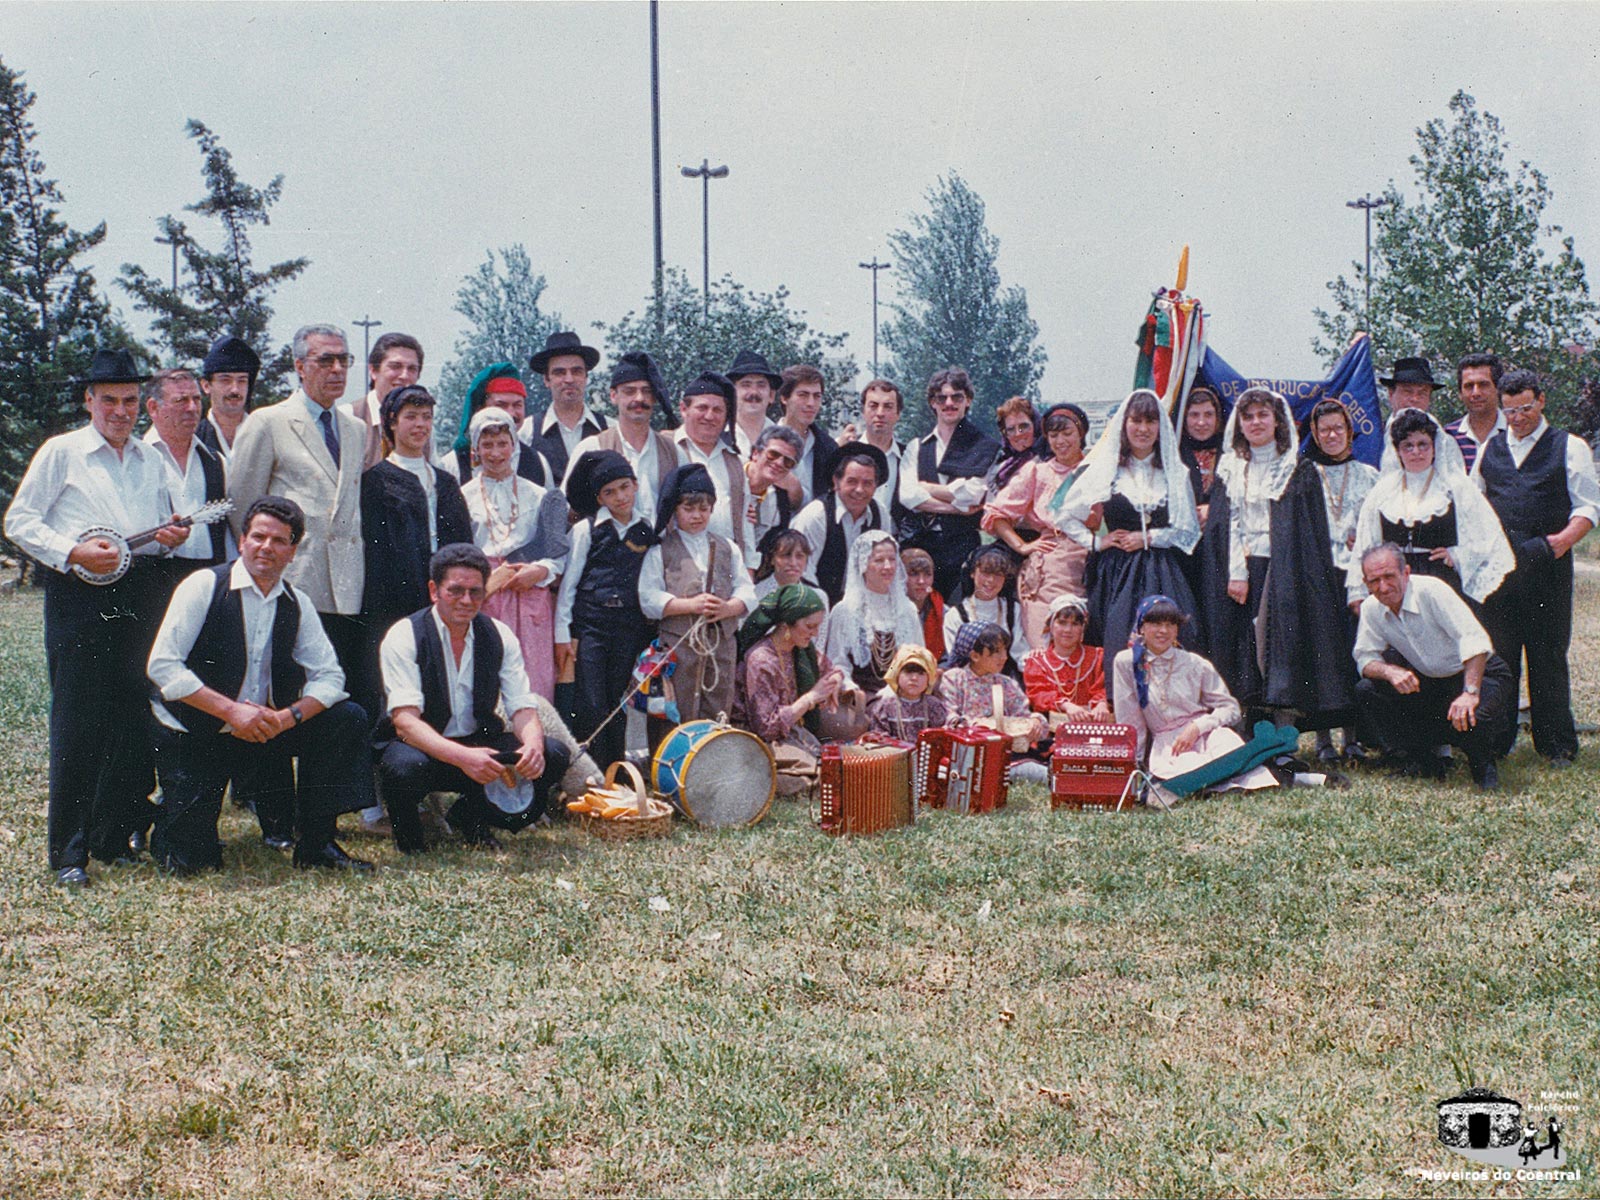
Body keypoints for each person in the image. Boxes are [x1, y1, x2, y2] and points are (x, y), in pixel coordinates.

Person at [5, 348, 187, 886]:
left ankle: (112, 836)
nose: (120, 411)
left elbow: (156, 531)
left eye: (130, 401)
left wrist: (169, 535)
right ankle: (69, 854)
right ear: (89, 400)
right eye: (109, 400)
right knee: (79, 724)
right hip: (79, 593)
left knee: (133, 720)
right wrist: (70, 551)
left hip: (139, 591)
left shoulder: (150, 458)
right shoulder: (62, 452)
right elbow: (19, 520)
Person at [145, 496, 375, 873]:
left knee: (346, 717)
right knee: (187, 863)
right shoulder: (204, 585)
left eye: (279, 541)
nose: (266, 547)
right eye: (258, 537)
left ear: (292, 552)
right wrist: (232, 712)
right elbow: (164, 666)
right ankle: (169, 819)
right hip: (198, 728)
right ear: (242, 541)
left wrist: (286, 718)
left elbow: (331, 677)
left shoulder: (297, 602)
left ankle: (317, 845)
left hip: (264, 731)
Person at [375, 543, 590, 852]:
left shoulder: (499, 635)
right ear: (434, 590)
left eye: (476, 592)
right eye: (456, 591)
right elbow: (405, 723)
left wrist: (531, 745)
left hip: (479, 746)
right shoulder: (404, 634)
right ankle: (410, 837)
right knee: (403, 767)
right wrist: (463, 758)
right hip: (424, 749)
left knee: (552, 754)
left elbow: (522, 706)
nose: (466, 600)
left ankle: (470, 816)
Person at [228, 324, 370, 701]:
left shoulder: (357, 429)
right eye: (326, 360)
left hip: (347, 587)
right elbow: (243, 504)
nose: (337, 369)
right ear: (300, 366)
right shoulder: (268, 422)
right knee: (288, 694)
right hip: (293, 581)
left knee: (335, 698)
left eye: (344, 360)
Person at [1206, 387, 1353, 729]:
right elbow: (1230, 524)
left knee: (1279, 643)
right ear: (1239, 424)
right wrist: (1237, 572)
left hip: (1285, 568)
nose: (1256, 422)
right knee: (1244, 644)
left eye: (1263, 415)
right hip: (1242, 567)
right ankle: (1246, 722)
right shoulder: (1230, 467)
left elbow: (1308, 530)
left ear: (1277, 421)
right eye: (1248, 416)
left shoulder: (1296, 468)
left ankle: (1283, 723)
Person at [1474, 368, 1599, 765]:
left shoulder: (1570, 446)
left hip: (1547, 568)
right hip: (1501, 573)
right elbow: (1474, 505)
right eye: (1509, 411)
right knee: (1502, 658)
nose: (1517, 418)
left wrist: (1561, 542)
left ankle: (1556, 744)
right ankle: (1497, 741)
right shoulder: (1489, 449)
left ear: (1541, 400)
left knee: (1547, 657)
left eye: (1525, 408)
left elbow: (1588, 508)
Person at [1046, 389, 1200, 662]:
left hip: (1163, 569)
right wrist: (1096, 542)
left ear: (1160, 427)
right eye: (1136, 421)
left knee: (1171, 635)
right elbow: (1063, 514)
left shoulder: (1175, 473)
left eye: (1150, 422)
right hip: (1117, 571)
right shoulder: (1106, 470)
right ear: (1124, 424)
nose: (1143, 429)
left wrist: (1148, 538)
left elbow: (1188, 530)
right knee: (1117, 635)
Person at [1351, 544, 1514, 789]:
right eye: (1374, 581)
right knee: (1368, 689)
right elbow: (1364, 657)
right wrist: (1390, 671)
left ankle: (1483, 766)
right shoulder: (1371, 608)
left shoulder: (1432, 591)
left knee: (1472, 714)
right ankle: (1422, 761)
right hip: (1431, 680)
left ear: (1405, 572)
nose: (1383, 587)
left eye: (1389, 577)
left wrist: (1470, 693)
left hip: (1478, 673)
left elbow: (1475, 642)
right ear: (1365, 582)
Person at [554, 451, 658, 773]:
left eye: (625, 487)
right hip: (591, 627)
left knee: (618, 701)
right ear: (599, 497)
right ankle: (591, 773)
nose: (620, 497)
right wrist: (565, 633)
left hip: (628, 627)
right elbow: (568, 585)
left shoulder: (646, 529)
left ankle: (618, 771)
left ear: (636, 485)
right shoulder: (587, 530)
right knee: (592, 701)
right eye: (610, 492)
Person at [639, 464, 758, 740]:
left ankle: (708, 772)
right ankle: (670, 773)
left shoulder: (728, 547)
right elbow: (648, 598)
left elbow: (747, 590)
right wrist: (689, 606)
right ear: (675, 510)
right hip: (679, 649)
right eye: (688, 509)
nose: (696, 516)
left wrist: (730, 607)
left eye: (703, 509)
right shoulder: (661, 551)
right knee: (675, 709)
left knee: (716, 707)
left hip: (720, 647)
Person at [1111, 595, 1277, 792]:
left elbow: (1230, 708)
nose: (1163, 631)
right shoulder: (1127, 662)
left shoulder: (1195, 663)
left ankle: (1261, 777)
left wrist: (1198, 727)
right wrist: (1134, 764)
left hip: (1206, 733)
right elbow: (1130, 718)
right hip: (1169, 744)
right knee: (1190, 768)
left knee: (1230, 751)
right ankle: (1224, 783)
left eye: (1170, 625)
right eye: (1156, 624)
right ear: (1141, 627)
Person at [1347, 408, 1512, 606]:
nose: (1416, 452)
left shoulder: (1455, 487)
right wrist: (1357, 591)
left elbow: (1489, 537)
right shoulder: (1383, 491)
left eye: (1422, 444)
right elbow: (1366, 542)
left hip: (1442, 584)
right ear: (1397, 450)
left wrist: (1457, 555)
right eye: (1408, 446)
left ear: (1435, 447)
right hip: (1395, 586)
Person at [460, 407, 570, 700]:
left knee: (533, 676)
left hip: (530, 591)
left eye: (502, 444)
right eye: (487, 445)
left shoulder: (538, 494)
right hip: (488, 591)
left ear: (514, 445)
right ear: (476, 449)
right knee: (488, 673)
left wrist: (540, 571)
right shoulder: (464, 496)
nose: (496, 453)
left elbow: (557, 552)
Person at [360, 385, 473, 631]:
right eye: (411, 417)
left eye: (427, 417)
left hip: (444, 594)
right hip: (395, 599)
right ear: (392, 422)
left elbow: (463, 542)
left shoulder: (446, 482)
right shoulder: (376, 481)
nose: (420, 425)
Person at [1304, 398, 1380, 762]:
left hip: (1356, 578)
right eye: (1324, 430)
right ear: (1315, 436)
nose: (1332, 435)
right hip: (1319, 575)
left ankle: (1353, 738)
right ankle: (1323, 740)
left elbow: (1379, 527)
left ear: (1350, 432)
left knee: (1354, 653)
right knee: (1322, 657)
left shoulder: (1369, 475)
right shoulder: (1305, 476)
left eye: (1338, 428)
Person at [983, 401, 1094, 649]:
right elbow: (996, 514)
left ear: (1081, 434)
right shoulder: (1037, 472)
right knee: (1044, 644)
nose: (1061, 441)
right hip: (1051, 565)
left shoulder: (1096, 470)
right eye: (1054, 435)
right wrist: (1022, 545)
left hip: (1091, 563)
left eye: (1067, 434)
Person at [897, 367, 1000, 600]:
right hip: (919, 544)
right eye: (941, 398)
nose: (949, 403)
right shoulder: (917, 446)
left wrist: (926, 487)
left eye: (957, 397)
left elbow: (974, 495)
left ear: (968, 401)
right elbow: (907, 495)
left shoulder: (983, 447)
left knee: (956, 614)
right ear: (933, 403)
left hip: (960, 548)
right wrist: (954, 507)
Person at [733, 584, 848, 791]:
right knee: (825, 776)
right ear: (787, 625)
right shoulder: (761, 660)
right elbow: (766, 728)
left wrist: (835, 682)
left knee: (837, 765)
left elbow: (832, 670)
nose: (815, 634)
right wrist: (809, 698)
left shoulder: (800, 649)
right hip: (758, 739)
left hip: (792, 733)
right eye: (809, 627)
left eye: (818, 627)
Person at [565, 351, 679, 522]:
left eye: (646, 391)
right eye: (630, 391)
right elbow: (568, 510)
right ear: (613, 396)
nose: (639, 398)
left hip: (665, 548)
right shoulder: (592, 448)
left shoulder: (674, 452)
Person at [143, 367, 231, 575]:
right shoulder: (136, 460)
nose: (192, 408)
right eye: (181, 400)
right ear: (153, 407)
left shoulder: (217, 461)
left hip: (210, 579)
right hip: (152, 581)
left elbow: (229, 533)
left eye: (197, 399)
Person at [822, 530, 924, 696]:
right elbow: (837, 662)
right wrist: (849, 688)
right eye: (879, 560)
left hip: (901, 693)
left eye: (892, 559)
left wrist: (894, 688)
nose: (888, 566)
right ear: (862, 565)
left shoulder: (907, 610)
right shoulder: (845, 610)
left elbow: (917, 658)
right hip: (861, 697)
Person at [789, 441, 890, 605]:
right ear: (836, 482)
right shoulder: (816, 515)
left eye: (867, 483)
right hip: (813, 604)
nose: (859, 490)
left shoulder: (880, 514)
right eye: (852, 481)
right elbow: (802, 574)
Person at [673, 372, 749, 562]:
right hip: (677, 563)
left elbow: (745, 521)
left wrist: (749, 565)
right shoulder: (668, 450)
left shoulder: (736, 460)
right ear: (684, 409)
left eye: (718, 410)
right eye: (702, 408)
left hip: (726, 563)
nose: (709, 416)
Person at [937, 622, 1049, 749]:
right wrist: (981, 726)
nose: (1004, 657)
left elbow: (1022, 715)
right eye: (997, 652)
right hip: (965, 751)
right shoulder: (954, 678)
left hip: (1003, 752)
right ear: (975, 656)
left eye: (1005, 650)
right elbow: (949, 717)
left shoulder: (1006, 683)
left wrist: (1035, 722)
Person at [525, 331, 608, 482]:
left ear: (586, 377)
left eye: (576, 371)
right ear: (546, 380)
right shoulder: (527, 432)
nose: (569, 379)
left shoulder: (609, 429)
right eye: (559, 372)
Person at [453, 364, 552, 486]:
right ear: (481, 409)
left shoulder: (538, 462)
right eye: (501, 405)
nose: (510, 413)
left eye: (517, 405)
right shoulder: (454, 464)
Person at [1023, 594, 1109, 724]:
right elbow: (1038, 694)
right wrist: (1067, 706)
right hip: (1052, 733)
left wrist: (1102, 704)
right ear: (1051, 626)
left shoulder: (1097, 657)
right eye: (1062, 623)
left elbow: (1104, 688)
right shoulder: (1037, 661)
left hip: (1092, 728)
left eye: (1075, 624)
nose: (1068, 630)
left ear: (1082, 628)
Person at [944, 545, 1029, 675]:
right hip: (968, 682)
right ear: (972, 573)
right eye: (986, 573)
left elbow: (1020, 653)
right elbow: (956, 661)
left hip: (1005, 680)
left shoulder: (1013, 609)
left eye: (998, 574)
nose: (991, 580)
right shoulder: (956, 615)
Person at [351, 332, 424, 470]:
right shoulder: (348, 418)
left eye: (412, 369)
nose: (404, 376)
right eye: (395, 366)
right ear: (373, 370)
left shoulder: (423, 427)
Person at [775, 364, 837, 507]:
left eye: (817, 396)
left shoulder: (828, 448)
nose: (811, 403)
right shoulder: (765, 442)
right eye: (803, 395)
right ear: (784, 398)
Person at [196, 335, 262, 465]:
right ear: (206, 385)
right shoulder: (193, 438)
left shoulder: (265, 435)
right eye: (225, 380)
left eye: (242, 380)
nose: (235, 390)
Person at [742, 425, 801, 569]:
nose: (779, 463)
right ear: (756, 453)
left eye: (787, 462)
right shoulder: (729, 474)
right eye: (773, 454)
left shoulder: (775, 503)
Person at [865, 644, 950, 741]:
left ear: (929, 680)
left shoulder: (934, 706)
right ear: (897, 675)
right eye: (908, 672)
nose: (914, 678)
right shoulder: (884, 707)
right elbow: (879, 738)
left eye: (921, 673)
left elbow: (940, 737)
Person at [1445, 352, 1506, 472]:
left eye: (1483, 385)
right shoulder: (1447, 436)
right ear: (1460, 394)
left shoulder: (1515, 432)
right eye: (1469, 386)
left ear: (1498, 389)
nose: (1476, 393)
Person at [1176, 386, 1225, 520]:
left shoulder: (1230, 452)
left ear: (1218, 417)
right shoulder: (1175, 453)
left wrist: (1213, 510)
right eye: (1194, 415)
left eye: (1208, 415)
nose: (1201, 422)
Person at [725, 347, 781, 461]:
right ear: (731, 394)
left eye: (761, 385)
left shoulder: (784, 439)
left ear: (771, 395)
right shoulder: (716, 436)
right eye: (746, 384)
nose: (754, 392)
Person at [902, 547, 947, 661]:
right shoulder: (890, 611)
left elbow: (949, 658)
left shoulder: (944, 612)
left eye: (927, 574)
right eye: (914, 574)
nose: (921, 581)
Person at [989, 396, 1040, 495]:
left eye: (1024, 426)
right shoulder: (1001, 465)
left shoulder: (1046, 462)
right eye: (1011, 429)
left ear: (1036, 425)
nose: (1018, 434)